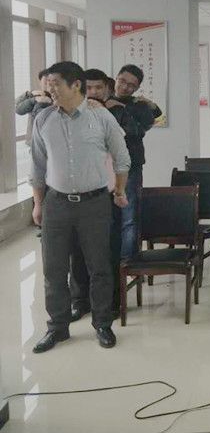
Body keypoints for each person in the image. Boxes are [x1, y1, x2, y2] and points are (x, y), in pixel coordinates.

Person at [29, 62, 130, 353]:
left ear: (75, 85)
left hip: (95, 204)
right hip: (56, 204)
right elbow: (37, 166)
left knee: (99, 267)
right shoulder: (43, 119)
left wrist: (119, 190)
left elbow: (122, 158)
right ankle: (57, 327)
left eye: (56, 84)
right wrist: (38, 204)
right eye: (49, 84)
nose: (50, 90)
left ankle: (102, 324)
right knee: (54, 269)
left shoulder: (101, 117)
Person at [69, 68, 117, 322]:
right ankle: (79, 301)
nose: (94, 92)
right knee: (76, 251)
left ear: (107, 89)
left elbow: (126, 148)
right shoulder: (68, 114)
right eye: (89, 88)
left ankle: (108, 305)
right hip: (76, 194)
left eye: (99, 87)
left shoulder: (115, 113)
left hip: (107, 192)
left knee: (105, 252)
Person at [108, 64, 161, 259]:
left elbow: (138, 130)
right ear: (116, 78)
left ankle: (128, 259)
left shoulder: (139, 106)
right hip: (104, 166)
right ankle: (110, 258)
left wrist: (121, 109)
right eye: (122, 81)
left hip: (131, 164)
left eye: (131, 85)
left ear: (137, 88)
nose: (124, 87)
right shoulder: (101, 102)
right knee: (106, 214)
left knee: (129, 213)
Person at [15, 69, 52, 143]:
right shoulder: (36, 95)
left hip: (50, 141)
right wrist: (31, 95)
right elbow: (18, 109)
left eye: (50, 83)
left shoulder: (58, 97)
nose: (47, 86)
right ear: (40, 83)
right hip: (33, 141)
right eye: (45, 83)